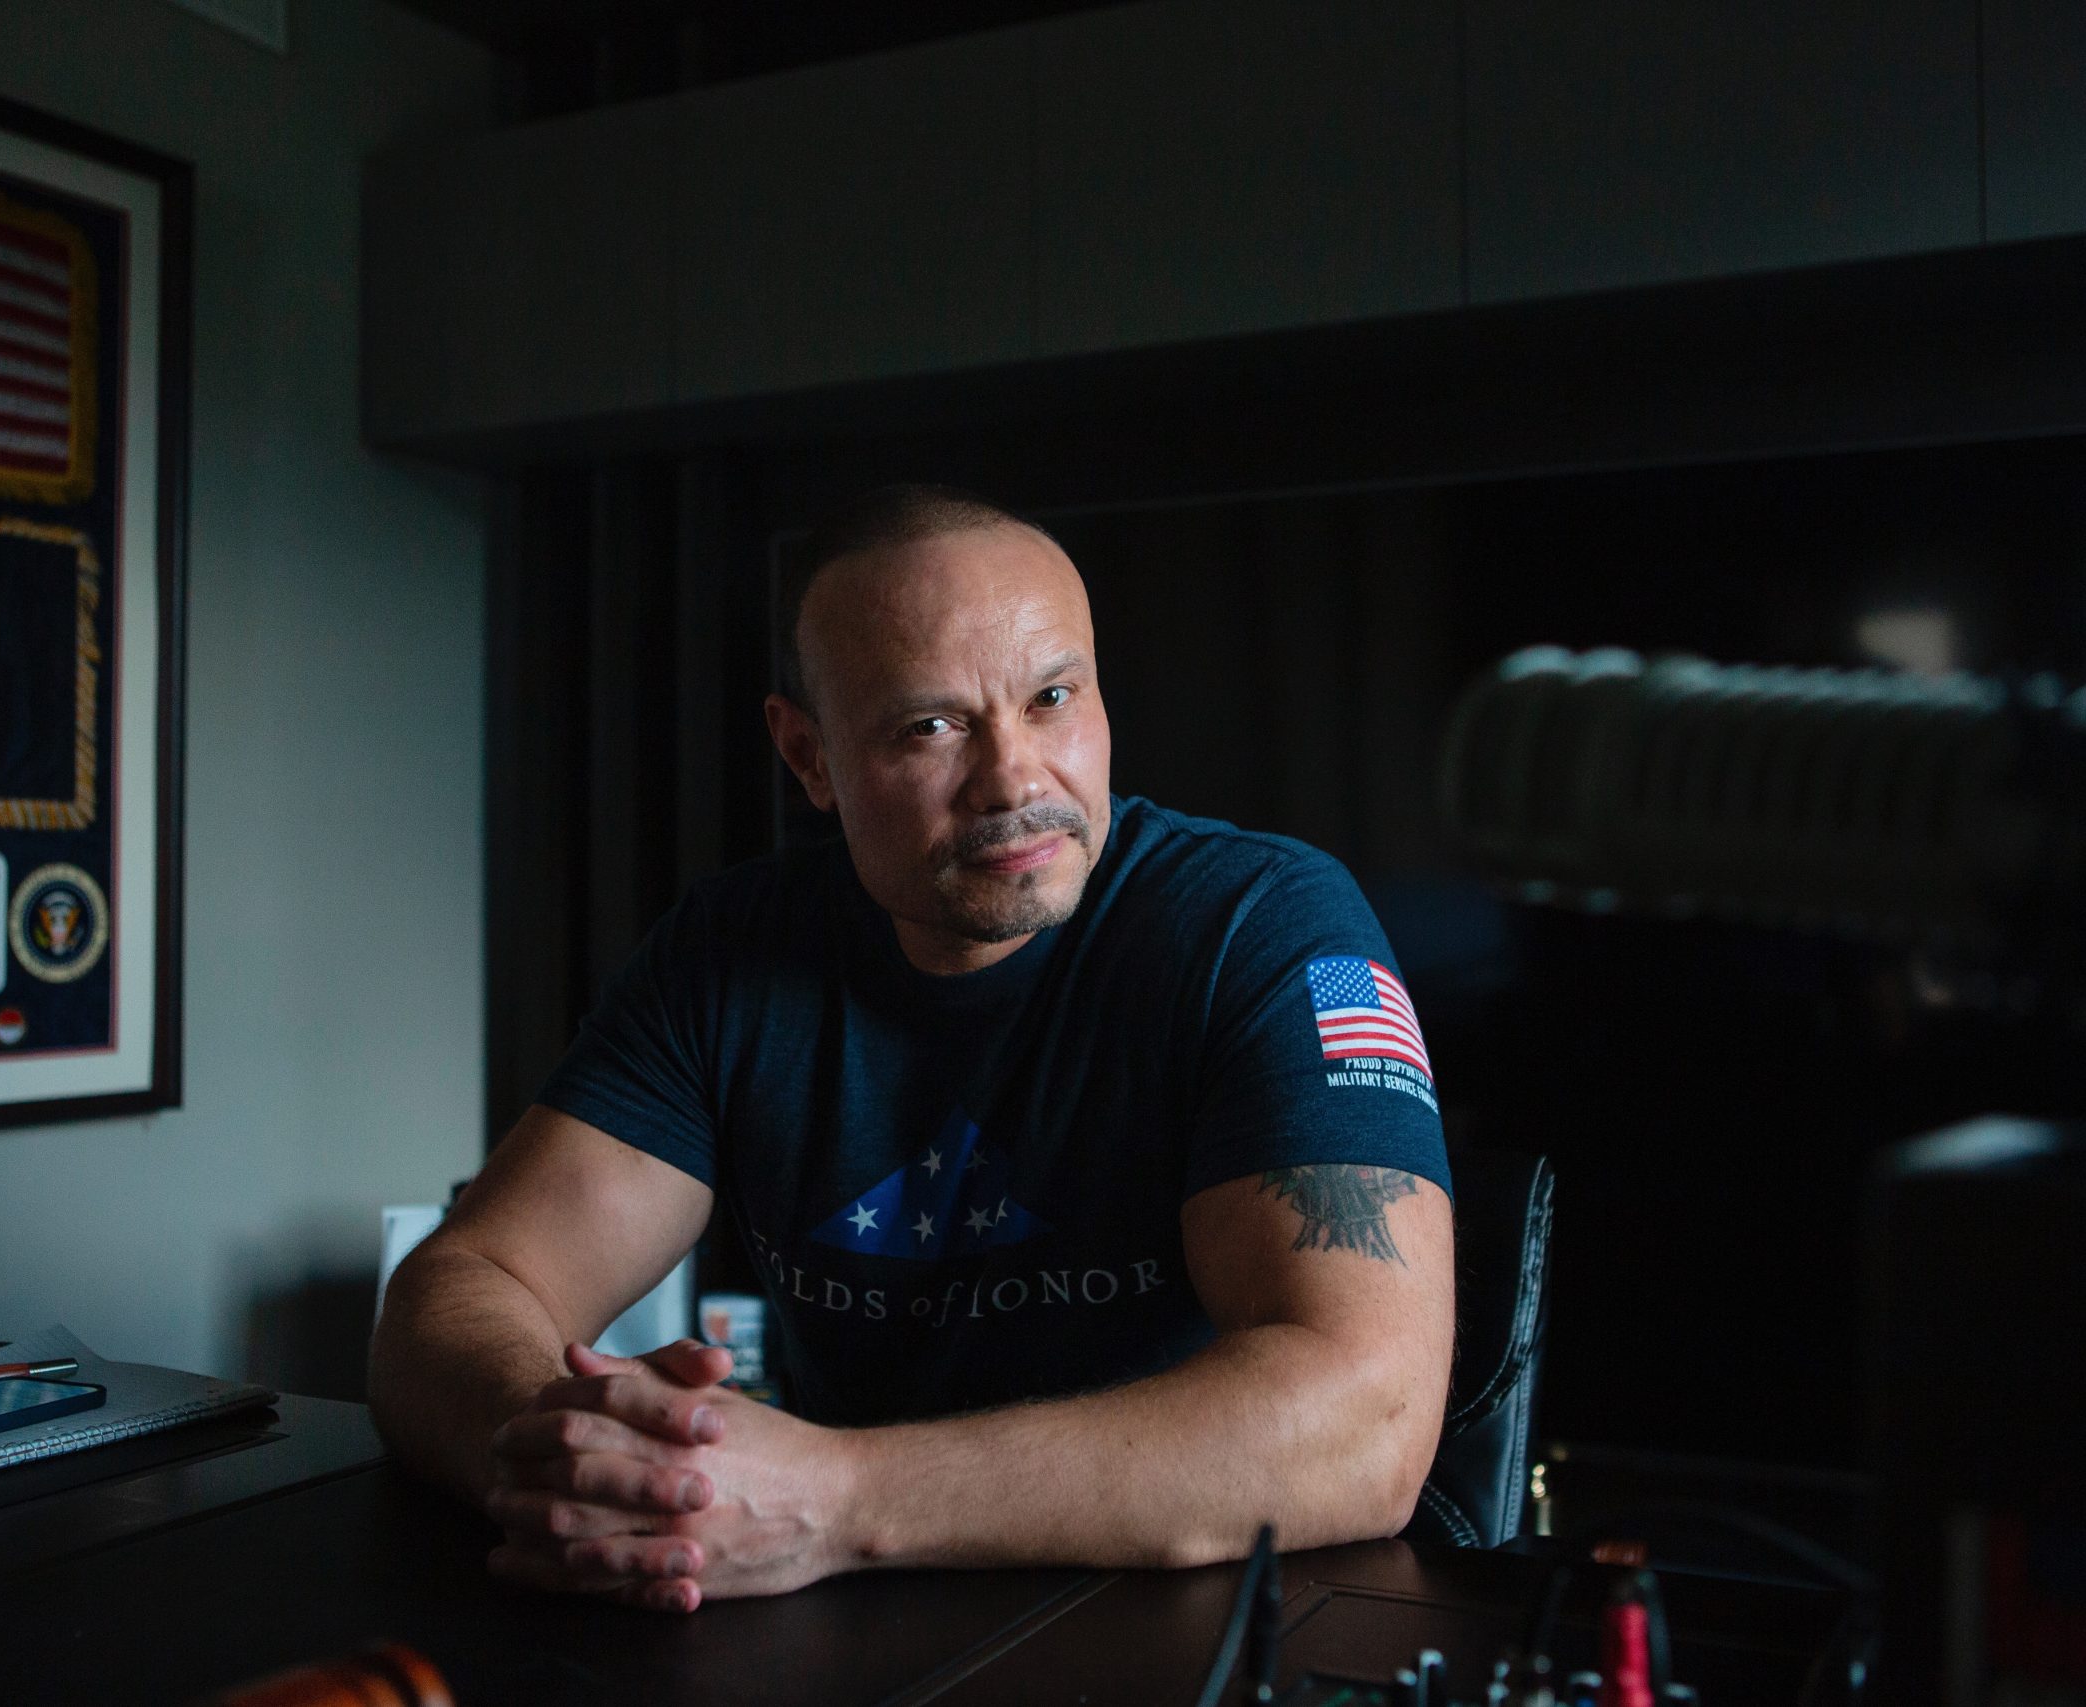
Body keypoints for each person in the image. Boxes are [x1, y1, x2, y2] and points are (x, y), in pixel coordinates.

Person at [370, 484, 1455, 1614]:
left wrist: (834, 1497)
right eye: (930, 726)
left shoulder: (1263, 923)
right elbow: (462, 1289)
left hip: (1178, 1627)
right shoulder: (730, 953)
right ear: (809, 755)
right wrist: (580, 1457)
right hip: (831, 1627)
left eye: (1051, 698)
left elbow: (1366, 1420)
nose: (1014, 779)